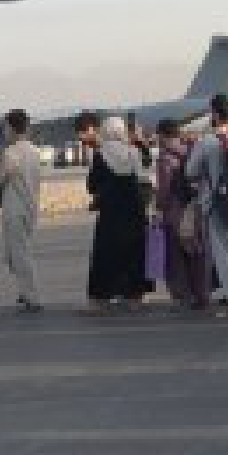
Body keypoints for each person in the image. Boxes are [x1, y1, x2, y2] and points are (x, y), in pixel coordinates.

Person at [186, 95, 228, 318]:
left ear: (214, 114)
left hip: (219, 203)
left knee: (225, 255)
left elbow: (191, 171)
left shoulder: (208, 140)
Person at [86, 115, 151, 309]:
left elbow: (92, 185)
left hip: (111, 211)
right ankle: (134, 296)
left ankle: (101, 297)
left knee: (106, 253)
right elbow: (143, 177)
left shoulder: (100, 154)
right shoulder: (133, 152)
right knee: (134, 253)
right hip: (133, 208)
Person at [152, 119, 209, 311]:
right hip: (194, 207)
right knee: (195, 251)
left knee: (175, 254)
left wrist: (159, 208)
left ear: (162, 135)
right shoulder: (191, 149)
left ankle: (182, 294)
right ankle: (201, 292)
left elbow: (164, 188)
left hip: (174, 209)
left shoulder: (165, 157)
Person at [0, 109, 44, 313]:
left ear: (12, 128)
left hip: (15, 208)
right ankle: (25, 291)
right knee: (16, 252)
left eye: (5, 127)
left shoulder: (11, 152)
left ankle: (32, 296)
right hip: (30, 205)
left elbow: (0, 179)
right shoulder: (33, 151)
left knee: (19, 253)